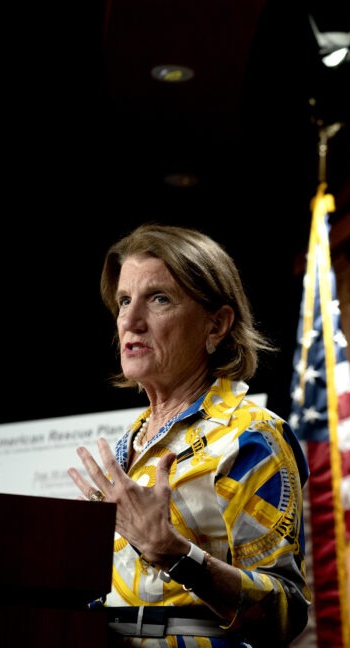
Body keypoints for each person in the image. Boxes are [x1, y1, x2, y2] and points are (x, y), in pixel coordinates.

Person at [68, 223, 311, 647]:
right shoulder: (129, 442)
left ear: (216, 325)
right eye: (125, 301)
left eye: (159, 298)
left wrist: (174, 554)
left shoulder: (249, 437)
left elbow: (284, 614)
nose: (131, 320)